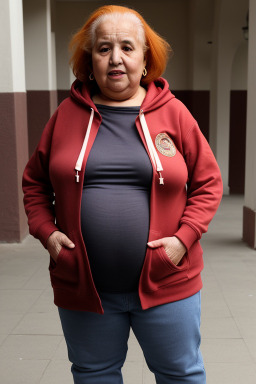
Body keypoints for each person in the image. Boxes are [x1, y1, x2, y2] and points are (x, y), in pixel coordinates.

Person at [22, 5, 223, 384]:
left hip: (168, 282)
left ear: (145, 58)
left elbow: (208, 182)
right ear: (90, 60)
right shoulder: (65, 115)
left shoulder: (174, 114)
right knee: (94, 375)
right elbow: (34, 182)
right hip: (83, 284)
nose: (116, 58)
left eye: (128, 47)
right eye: (103, 48)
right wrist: (47, 233)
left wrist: (182, 240)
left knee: (180, 375)